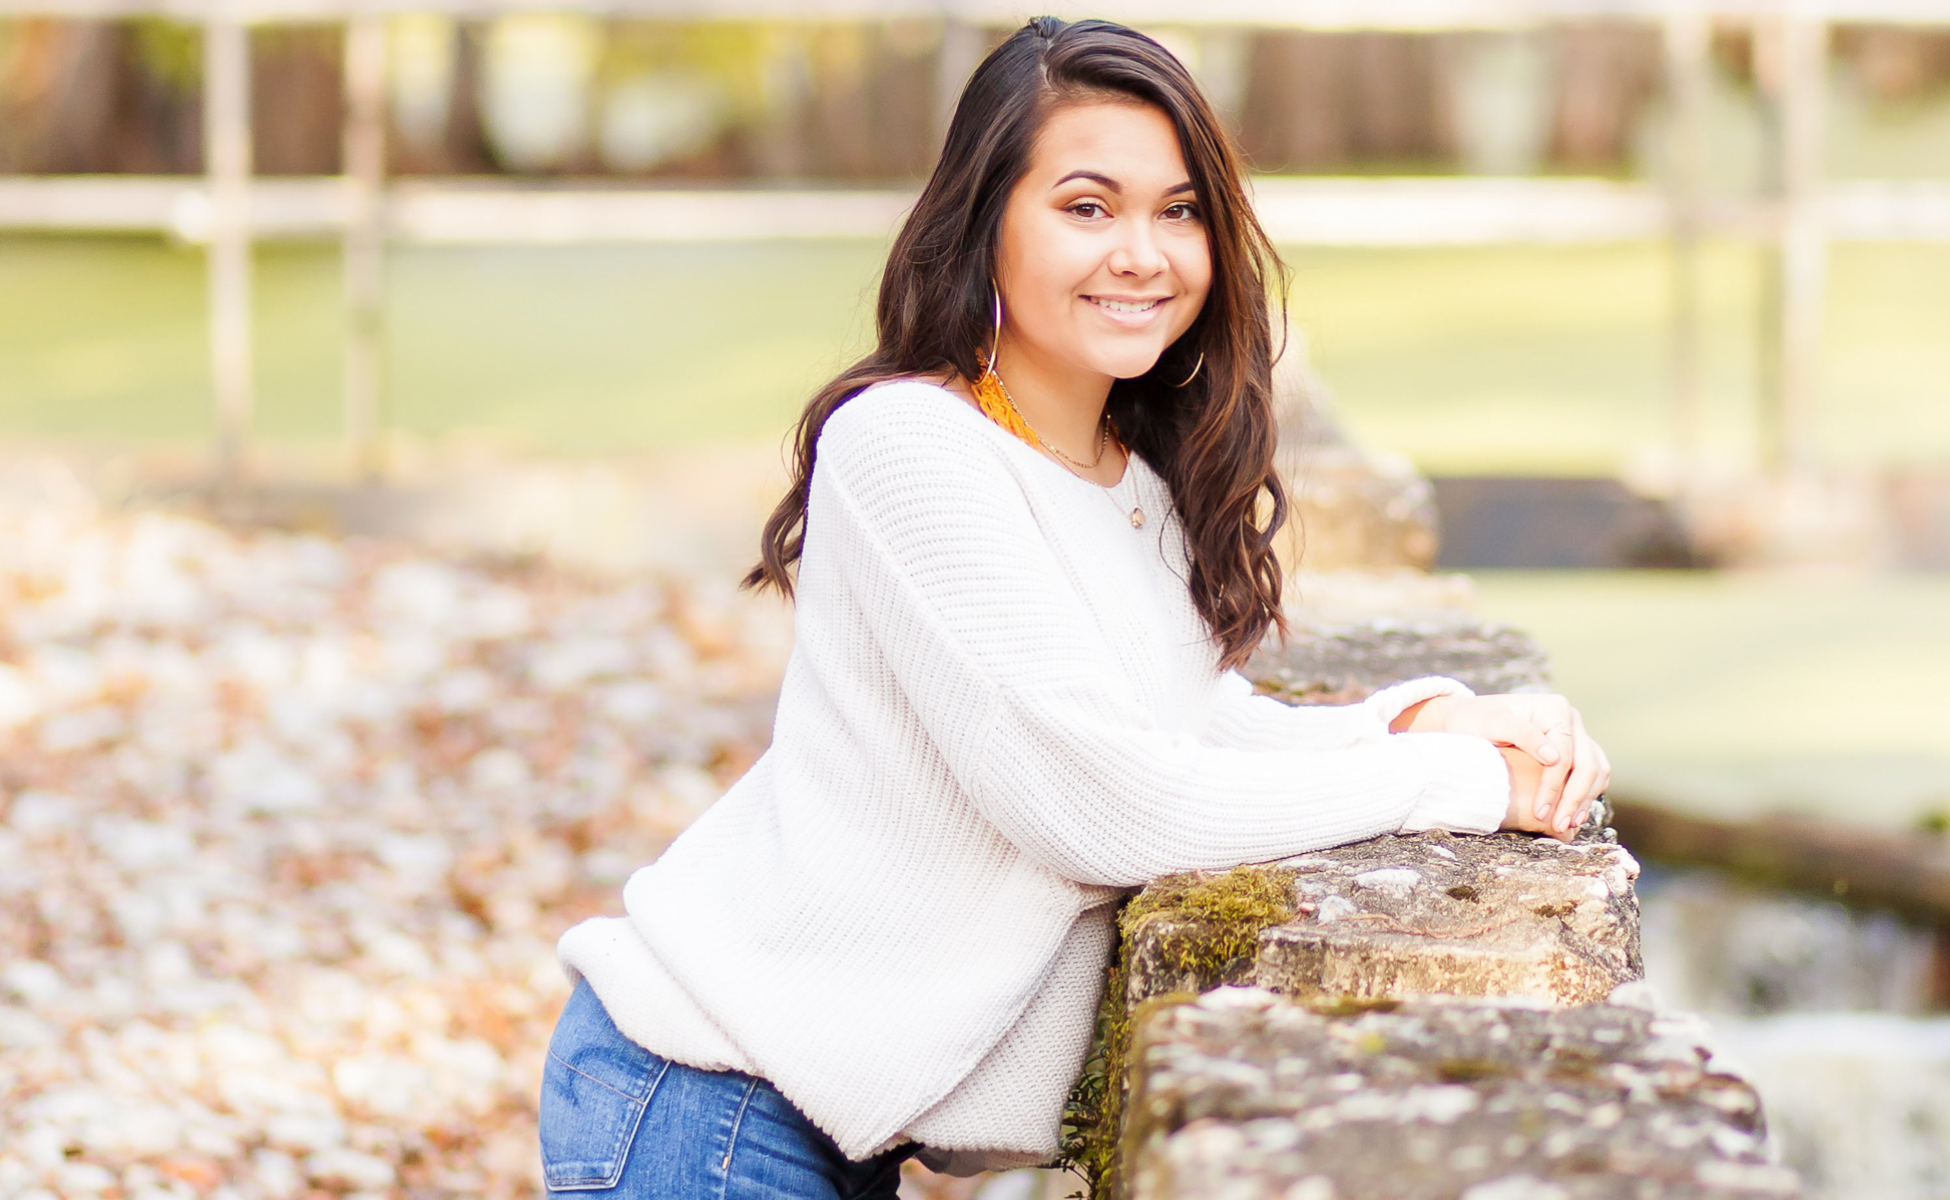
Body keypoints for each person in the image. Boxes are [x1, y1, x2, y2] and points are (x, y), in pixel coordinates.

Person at [540, 17, 1610, 1199]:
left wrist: (1431, 722)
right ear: (987, 218)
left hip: (820, 1112)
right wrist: (1464, 792)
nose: (1143, 254)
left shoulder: (1132, 477)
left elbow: (1194, 727)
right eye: (1088, 207)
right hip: (706, 1093)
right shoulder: (908, 447)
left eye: (1181, 210)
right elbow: (1112, 804)